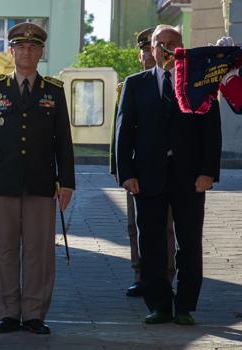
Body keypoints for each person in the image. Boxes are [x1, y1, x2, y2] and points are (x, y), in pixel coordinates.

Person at [0, 22, 74, 335]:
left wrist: (67, 182)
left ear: (41, 52)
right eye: (20, 47)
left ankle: (33, 313)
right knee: (2, 250)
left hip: (42, 184)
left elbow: (64, 141)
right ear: (11, 51)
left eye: (33, 47)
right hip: (1, 183)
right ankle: (7, 313)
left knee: (38, 252)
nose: (26, 52)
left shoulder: (53, 91)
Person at [115, 25, 222, 326]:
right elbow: (124, 133)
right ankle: (159, 304)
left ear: (181, 47)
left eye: (171, 43)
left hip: (190, 177)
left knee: (188, 243)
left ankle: (185, 305)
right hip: (148, 176)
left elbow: (211, 131)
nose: (164, 49)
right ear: (150, 48)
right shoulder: (135, 84)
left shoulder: (198, 82)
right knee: (151, 243)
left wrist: (208, 172)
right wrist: (126, 173)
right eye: (158, 44)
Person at [110, 27, 176, 297]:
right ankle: (141, 273)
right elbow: (120, 129)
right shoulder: (130, 84)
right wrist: (120, 169)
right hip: (139, 167)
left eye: (155, 48)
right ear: (140, 55)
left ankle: (166, 276)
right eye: (146, 50)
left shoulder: (176, 80)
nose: (151, 53)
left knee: (167, 227)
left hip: (169, 167)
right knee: (136, 225)